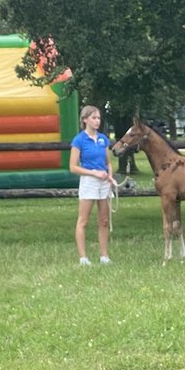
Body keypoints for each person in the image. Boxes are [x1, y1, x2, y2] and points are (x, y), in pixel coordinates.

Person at [70, 105, 115, 265]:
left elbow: (108, 162)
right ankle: (83, 257)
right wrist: (94, 173)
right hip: (89, 181)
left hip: (103, 182)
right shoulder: (79, 140)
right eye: (94, 118)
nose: (97, 121)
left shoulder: (103, 139)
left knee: (104, 220)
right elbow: (73, 166)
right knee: (83, 220)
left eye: (98, 118)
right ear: (85, 120)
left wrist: (109, 176)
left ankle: (104, 256)